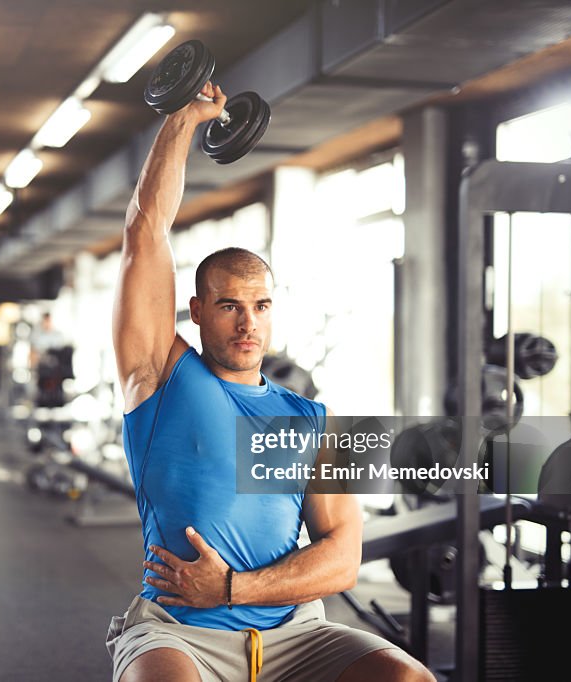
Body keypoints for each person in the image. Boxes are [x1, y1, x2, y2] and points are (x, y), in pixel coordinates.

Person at [107, 81, 433, 682]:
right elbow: (144, 235)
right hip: (180, 631)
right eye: (229, 305)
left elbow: (342, 558)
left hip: (293, 633)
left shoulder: (306, 419)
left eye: (260, 305)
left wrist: (232, 587)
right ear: (197, 311)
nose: (247, 322)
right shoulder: (161, 378)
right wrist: (184, 121)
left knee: (407, 679)